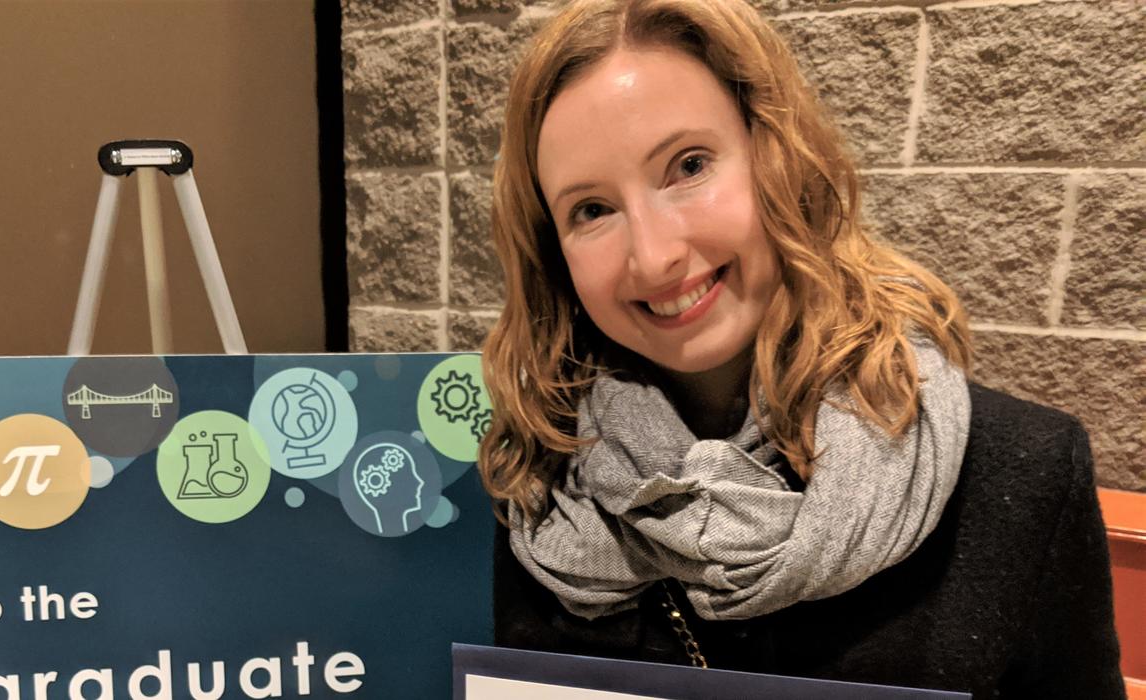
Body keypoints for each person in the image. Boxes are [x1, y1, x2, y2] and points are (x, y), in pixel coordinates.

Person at [477, 0, 1125, 696]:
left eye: (688, 165)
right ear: (554, 251)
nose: (654, 254)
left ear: (778, 157)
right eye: (592, 210)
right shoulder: (537, 478)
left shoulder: (1021, 474)